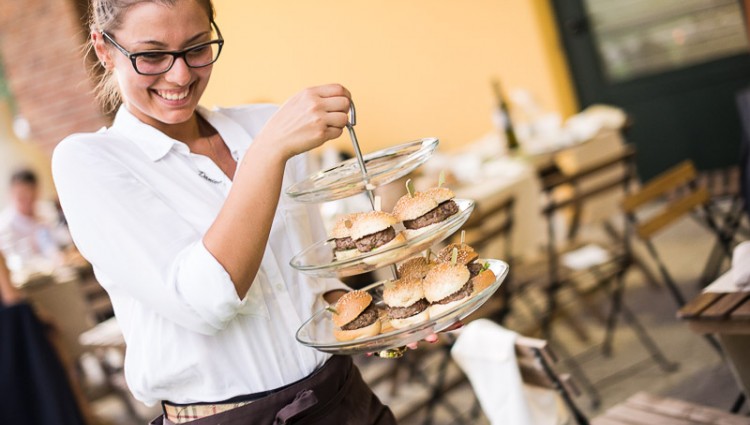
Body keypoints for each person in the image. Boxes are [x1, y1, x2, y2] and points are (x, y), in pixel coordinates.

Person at [52, 1, 398, 424]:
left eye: (197, 48)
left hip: (345, 399)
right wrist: (266, 153)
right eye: (152, 55)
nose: (180, 75)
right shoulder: (89, 162)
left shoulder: (263, 125)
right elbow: (204, 302)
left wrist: (392, 316)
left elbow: (314, 280)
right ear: (105, 50)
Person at [0, 169, 72, 272]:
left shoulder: (46, 211)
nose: (26, 200)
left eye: (29, 195)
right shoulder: (4, 225)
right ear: (12, 193)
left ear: (36, 191)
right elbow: (12, 261)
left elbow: (63, 238)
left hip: (61, 270)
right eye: (21, 196)